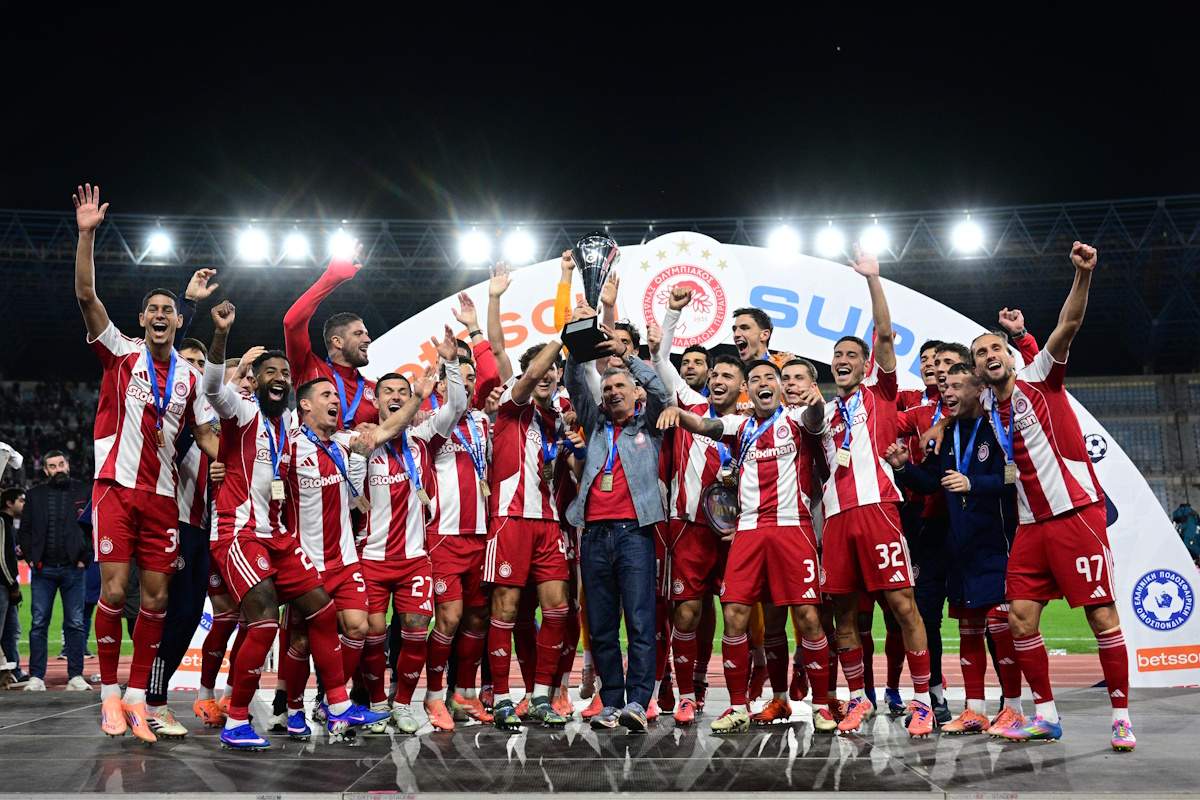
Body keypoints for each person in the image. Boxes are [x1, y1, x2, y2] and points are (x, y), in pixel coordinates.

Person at [203, 300, 391, 750]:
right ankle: (236, 719)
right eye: (270, 372)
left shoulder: (287, 428)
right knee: (264, 623)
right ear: (255, 381)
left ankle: (338, 704)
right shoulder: (242, 412)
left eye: (285, 373)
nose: (280, 377)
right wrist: (222, 335)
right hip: (240, 533)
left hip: (277, 536)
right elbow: (212, 388)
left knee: (322, 610)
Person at [973, 242, 1135, 752]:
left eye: (995, 349)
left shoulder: (1040, 376)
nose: (989, 356)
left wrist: (1083, 275)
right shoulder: (986, 405)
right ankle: (1045, 716)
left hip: (1075, 514)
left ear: (1010, 356)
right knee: (1019, 618)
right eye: (980, 353)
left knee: (1101, 614)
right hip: (1030, 526)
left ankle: (1121, 718)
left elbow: (1069, 325)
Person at [72, 184, 219, 742]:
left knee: (156, 600)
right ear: (142, 319)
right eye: (153, 310)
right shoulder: (120, 351)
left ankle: (138, 700)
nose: (160, 316)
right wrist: (87, 235)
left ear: (179, 322)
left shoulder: (189, 377)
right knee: (114, 593)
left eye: (168, 311)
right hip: (115, 486)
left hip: (162, 498)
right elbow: (87, 295)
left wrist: (239, 461)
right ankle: (109, 695)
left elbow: (204, 433)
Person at [658, 359, 835, 734]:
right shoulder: (740, 426)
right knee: (735, 614)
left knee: (807, 617)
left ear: (780, 387)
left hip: (793, 527)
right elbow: (706, 425)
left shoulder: (797, 419)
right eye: (755, 379)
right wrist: (680, 415)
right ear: (748, 390)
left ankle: (821, 705)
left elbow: (817, 418)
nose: (762, 383)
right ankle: (738, 706)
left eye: (770, 378)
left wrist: (817, 402)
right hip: (748, 530)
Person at [819, 245, 934, 738]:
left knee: (903, 605)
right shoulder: (823, 414)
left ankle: (922, 701)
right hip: (835, 519)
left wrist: (872, 279)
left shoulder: (881, 393)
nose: (843, 360)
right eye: (837, 356)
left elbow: (884, 334)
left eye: (851, 355)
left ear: (866, 364)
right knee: (843, 615)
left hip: (879, 510)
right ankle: (859, 698)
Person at [887, 364, 1026, 735]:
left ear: (978, 388)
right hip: (959, 545)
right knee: (969, 629)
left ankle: (1014, 708)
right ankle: (974, 710)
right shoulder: (948, 433)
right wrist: (903, 469)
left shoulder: (998, 428)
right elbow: (932, 481)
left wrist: (973, 483)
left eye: (957, 386)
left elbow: (1014, 478)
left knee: (1000, 629)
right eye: (945, 386)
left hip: (994, 542)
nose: (947, 392)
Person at [564, 316, 670, 734]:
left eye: (619, 386)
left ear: (635, 392)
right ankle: (611, 702)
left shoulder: (650, 424)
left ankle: (639, 701)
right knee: (603, 625)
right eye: (607, 388)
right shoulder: (595, 426)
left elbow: (661, 390)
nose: (611, 392)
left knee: (641, 621)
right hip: (593, 535)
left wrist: (626, 355)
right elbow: (575, 381)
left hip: (634, 534)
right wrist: (578, 343)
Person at [650, 286, 747, 725]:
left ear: (741, 385)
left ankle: (737, 696)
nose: (720, 381)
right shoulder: (692, 403)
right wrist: (672, 314)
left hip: (735, 532)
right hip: (687, 527)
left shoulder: (752, 423)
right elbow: (661, 362)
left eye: (729, 376)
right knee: (685, 611)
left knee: (733, 614)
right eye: (716, 375)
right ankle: (684, 693)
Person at [484, 339, 573, 732]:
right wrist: (564, 336)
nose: (547, 374)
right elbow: (534, 371)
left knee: (558, 610)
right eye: (542, 369)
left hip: (549, 522)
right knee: (505, 610)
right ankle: (502, 698)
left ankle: (539, 696)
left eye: (554, 370)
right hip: (511, 518)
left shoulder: (557, 419)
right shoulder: (513, 405)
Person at [19, 451, 92, 692]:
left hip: (74, 569)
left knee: (76, 624)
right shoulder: (34, 495)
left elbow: (94, 527)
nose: (58, 469)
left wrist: (84, 558)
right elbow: (25, 531)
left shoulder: (84, 491)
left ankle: (76, 676)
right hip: (43, 571)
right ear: (45, 470)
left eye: (61, 464)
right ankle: (36, 677)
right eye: (52, 466)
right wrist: (31, 560)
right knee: (39, 623)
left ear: (68, 465)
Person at [283, 243, 378, 427]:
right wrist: (331, 278)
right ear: (337, 341)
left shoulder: (375, 391)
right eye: (358, 333)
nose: (367, 339)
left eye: (366, 334)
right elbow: (292, 322)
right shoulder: (308, 369)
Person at [0, 487, 29, 687]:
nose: (24, 504)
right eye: (21, 500)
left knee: (12, 630)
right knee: (5, 630)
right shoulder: (2, 522)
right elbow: (2, 558)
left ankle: (13, 670)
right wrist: (12, 584)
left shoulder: (9, 523)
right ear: (9, 503)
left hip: (6, 585)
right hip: (3, 585)